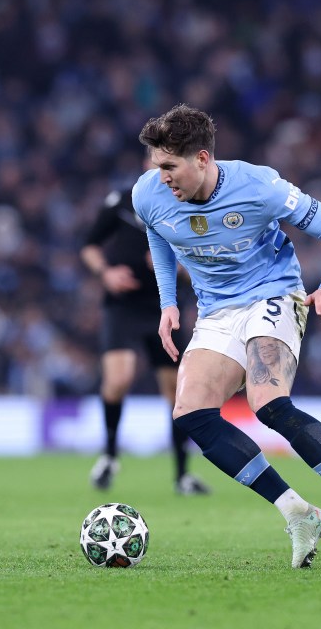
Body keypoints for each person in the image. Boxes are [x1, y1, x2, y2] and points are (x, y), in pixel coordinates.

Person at [132, 103, 321, 568]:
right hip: (216, 311)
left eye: (170, 166)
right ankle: (297, 512)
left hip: (272, 294)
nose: (162, 177)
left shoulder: (260, 186)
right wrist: (168, 301)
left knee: (267, 403)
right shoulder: (148, 194)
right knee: (191, 413)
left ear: (202, 158)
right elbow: (157, 234)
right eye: (157, 166)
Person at [81, 184, 211, 496]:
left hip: (164, 307)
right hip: (122, 306)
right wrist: (106, 274)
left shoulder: (192, 205)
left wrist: (176, 267)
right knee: (119, 378)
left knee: (176, 393)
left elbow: (207, 262)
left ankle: (182, 475)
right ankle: (110, 456)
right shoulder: (122, 200)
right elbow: (89, 245)